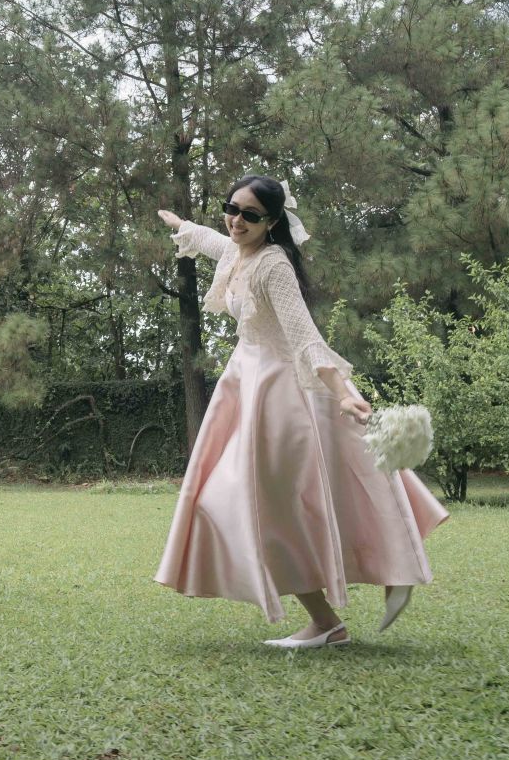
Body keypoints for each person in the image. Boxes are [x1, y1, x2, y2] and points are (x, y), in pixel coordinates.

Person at [154, 177, 448, 648]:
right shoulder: (236, 251)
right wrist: (180, 224)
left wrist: (342, 392)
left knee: (283, 505)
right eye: (232, 208)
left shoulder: (273, 265)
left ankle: (370, 589)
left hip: (285, 391)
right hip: (247, 382)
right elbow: (213, 242)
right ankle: (331, 619)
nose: (236, 220)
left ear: (272, 221)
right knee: (254, 504)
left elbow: (305, 336)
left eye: (250, 215)